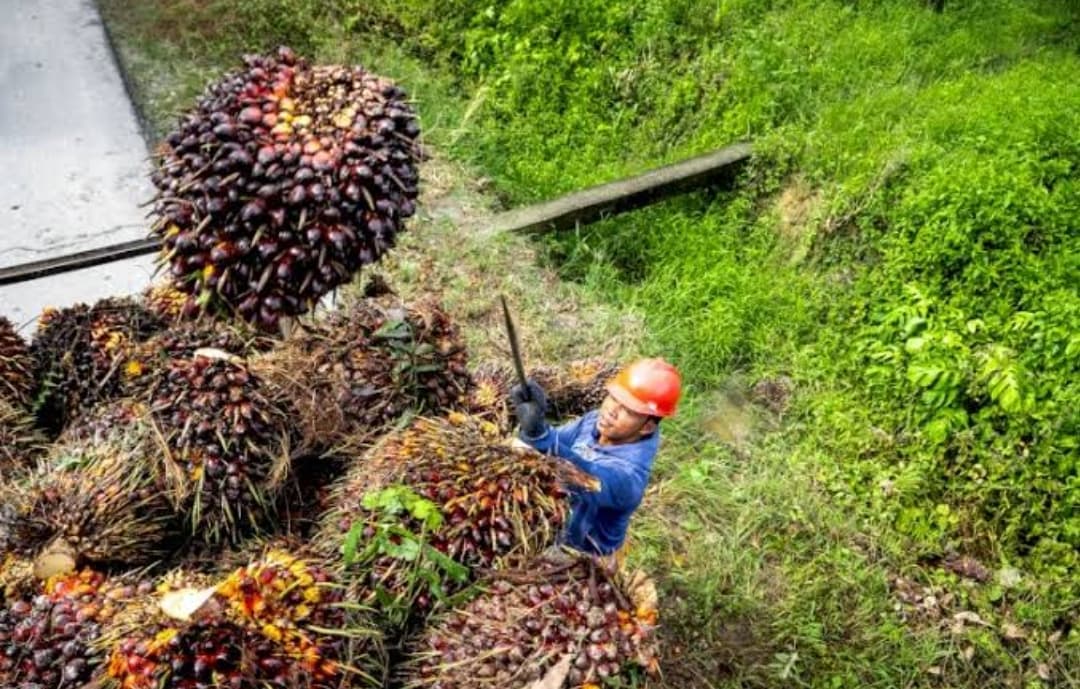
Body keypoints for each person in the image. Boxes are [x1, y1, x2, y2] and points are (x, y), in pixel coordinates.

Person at [511, 358, 681, 557]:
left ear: (647, 427)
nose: (611, 411)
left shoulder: (628, 477)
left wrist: (540, 436)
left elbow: (584, 476)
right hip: (559, 519)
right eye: (613, 398)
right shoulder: (594, 421)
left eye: (627, 410)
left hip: (581, 555)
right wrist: (536, 423)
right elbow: (556, 441)